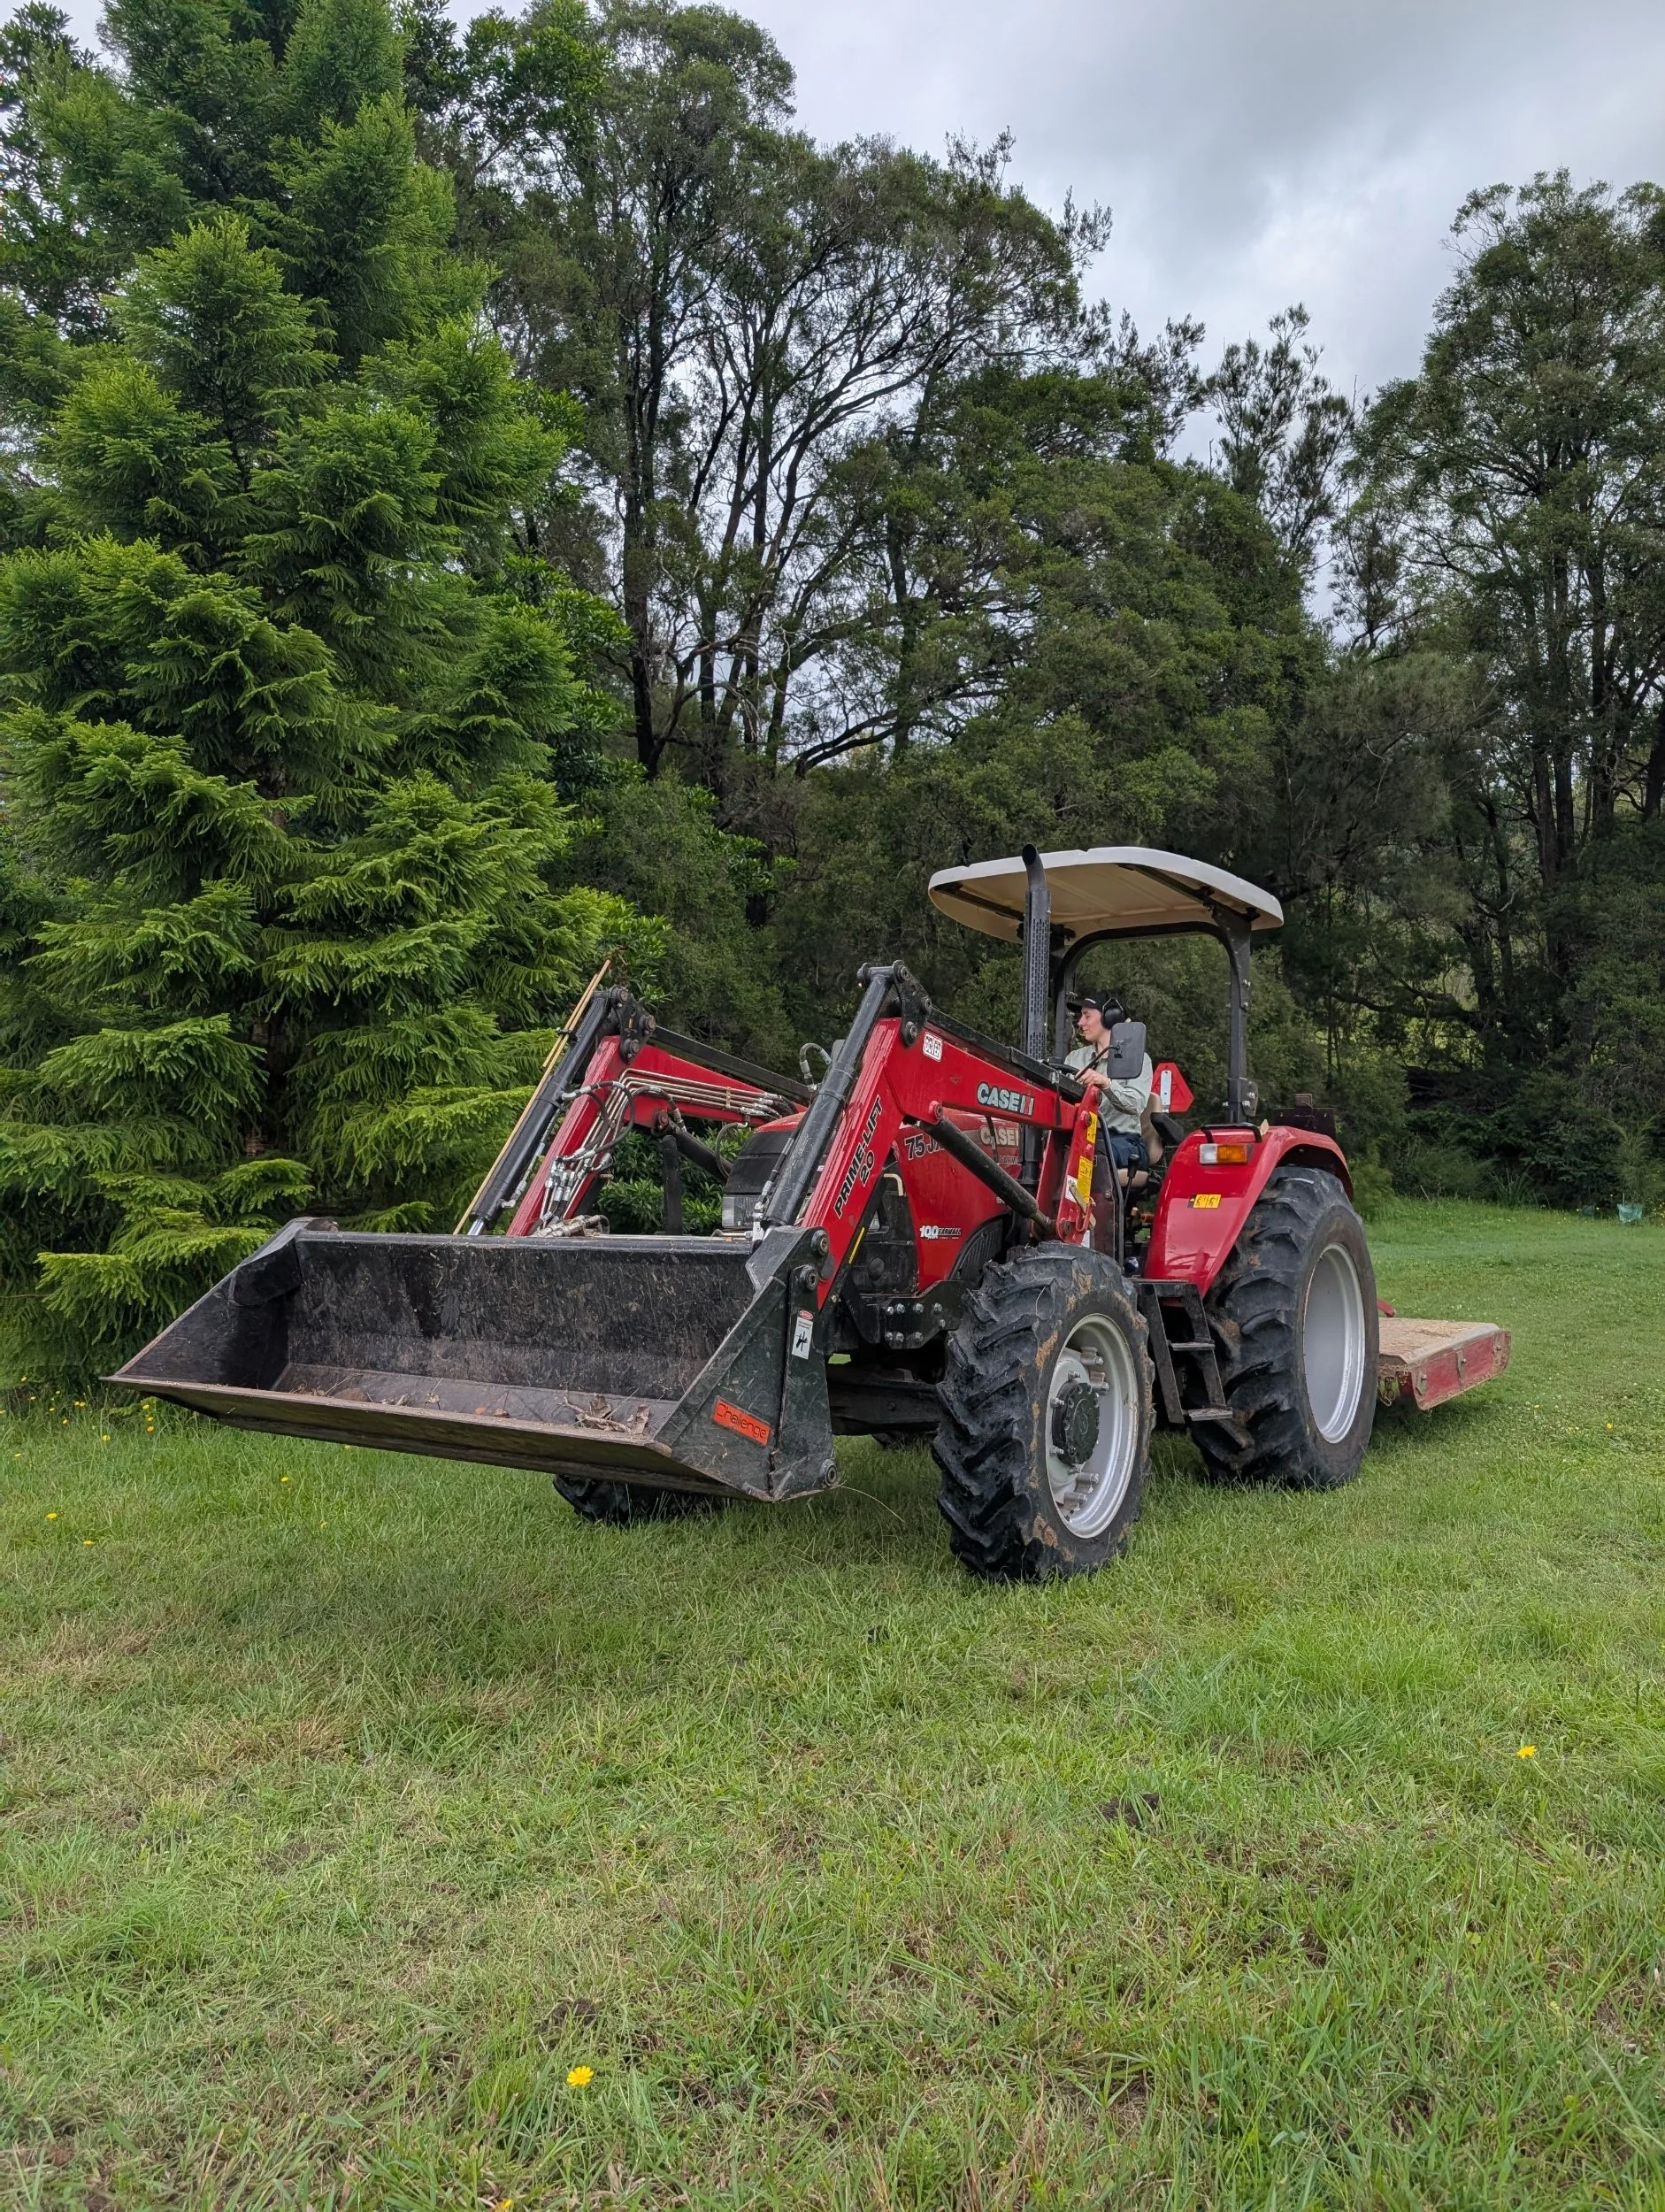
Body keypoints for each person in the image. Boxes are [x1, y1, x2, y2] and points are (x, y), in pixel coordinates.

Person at [1064, 993, 1153, 1187]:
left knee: (1091, 1151)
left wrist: (1106, 1084)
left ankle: (1092, 1214)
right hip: (1080, 1137)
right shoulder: (1074, 1059)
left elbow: (1136, 1105)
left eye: (1087, 1016)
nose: (1080, 1022)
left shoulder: (1138, 1060)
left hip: (1124, 1141)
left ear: (1109, 1017)